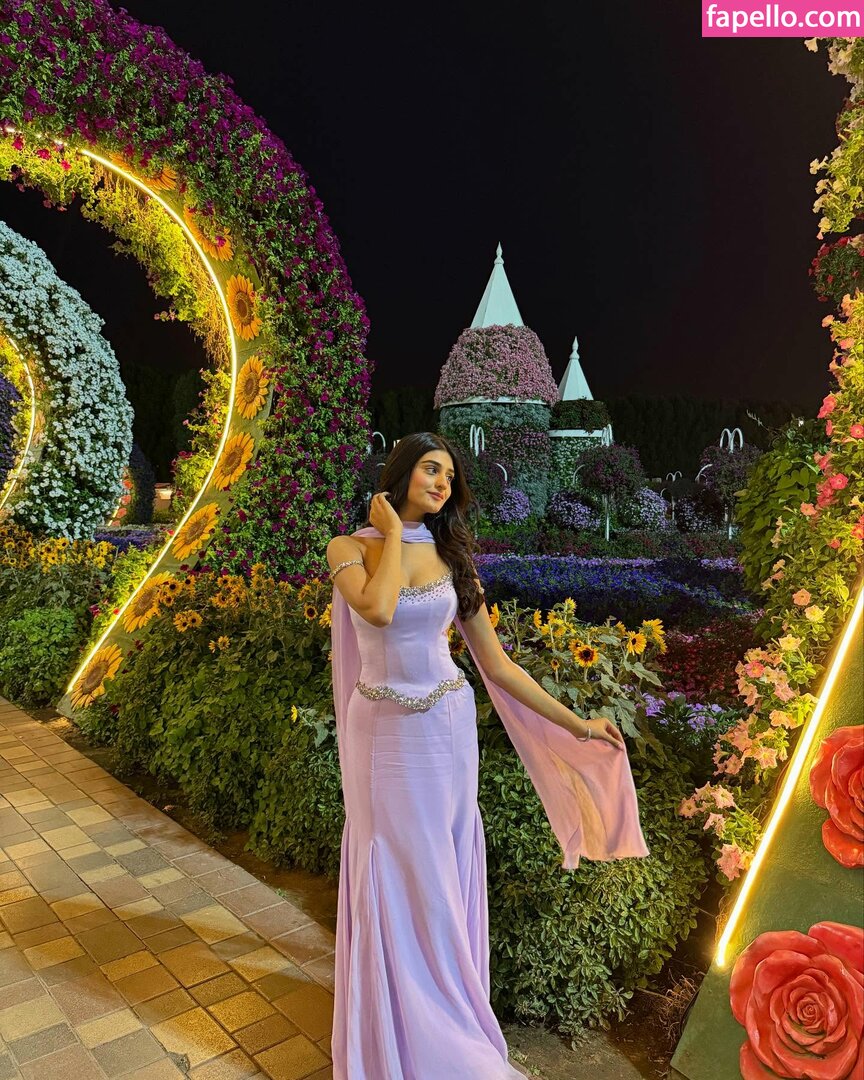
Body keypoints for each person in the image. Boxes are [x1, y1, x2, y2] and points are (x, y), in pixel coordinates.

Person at [326, 432, 648, 1079]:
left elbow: (497, 666)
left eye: (449, 474)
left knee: (441, 870)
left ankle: (447, 1017)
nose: (442, 482)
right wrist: (391, 536)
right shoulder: (349, 548)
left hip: (444, 730)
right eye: (430, 468)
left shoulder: (453, 558)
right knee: (390, 863)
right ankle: (393, 1030)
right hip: (381, 735)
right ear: (400, 474)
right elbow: (379, 610)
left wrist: (578, 725)